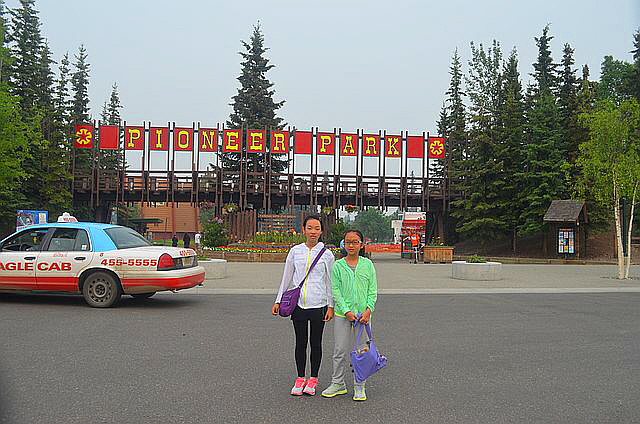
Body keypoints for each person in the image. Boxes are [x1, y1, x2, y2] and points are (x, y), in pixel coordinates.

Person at [272, 214, 335, 396]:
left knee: (316, 343)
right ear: (303, 230)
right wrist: (278, 300)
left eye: (317, 228)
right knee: (300, 342)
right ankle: (300, 378)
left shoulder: (327, 254)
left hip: (319, 303)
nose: (313, 232)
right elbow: (287, 277)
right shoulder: (295, 251)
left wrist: (331, 305)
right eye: (310, 228)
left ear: (321, 231)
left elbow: (330, 281)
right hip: (298, 303)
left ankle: (313, 379)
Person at [322, 229, 378, 401]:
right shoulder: (338, 265)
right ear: (343, 244)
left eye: (355, 242)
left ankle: (360, 384)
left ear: (362, 245)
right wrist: (346, 311)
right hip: (342, 314)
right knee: (339, 350)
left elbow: (372, 290)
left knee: (362, 351)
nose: (351, 245)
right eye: (348, 242)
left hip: (363, 316)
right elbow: (335, 291)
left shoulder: (368, 264)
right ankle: (338, 383)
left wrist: (368, 310)